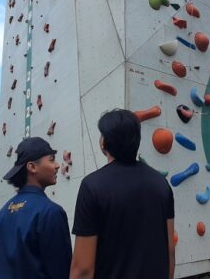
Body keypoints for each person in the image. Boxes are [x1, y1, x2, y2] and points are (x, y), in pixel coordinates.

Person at [70, 109, 175, 279]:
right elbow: (169, 250)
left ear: (104, 143)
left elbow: (83, 269)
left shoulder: (92, 186)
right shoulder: (161, 184)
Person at [0, 137, 71, 279]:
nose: (57, 165)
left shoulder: (1, 214)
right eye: (52, 160)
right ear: (32, 167)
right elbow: (61, 271)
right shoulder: (51, 212)